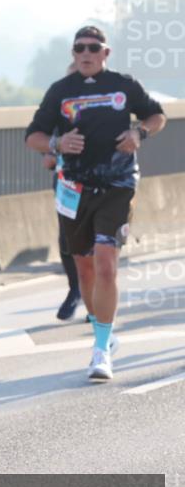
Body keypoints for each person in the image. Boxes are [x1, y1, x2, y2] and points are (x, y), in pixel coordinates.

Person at [25, 25, 166, 380]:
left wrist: (139, 132)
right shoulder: (60, 91)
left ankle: (100, 350)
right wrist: (57, 144)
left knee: (105, 263)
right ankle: (104, 332)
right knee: (84, 269)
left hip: (118, 184)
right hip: (74, 187)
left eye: (93, 47)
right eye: (79, 48)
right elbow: (33, 136)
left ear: (106, 52)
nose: (86, 53)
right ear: (73, 53)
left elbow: (157, 115)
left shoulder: (123, 85)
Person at [42, 61, 82, 322]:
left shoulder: (107, 105)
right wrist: (50, 152)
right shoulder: (59, 106)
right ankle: (75, 290)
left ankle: (98, 301)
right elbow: (44, 140)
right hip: (67, 182)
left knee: (100, 242)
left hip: (103, 183)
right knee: (67, 239)